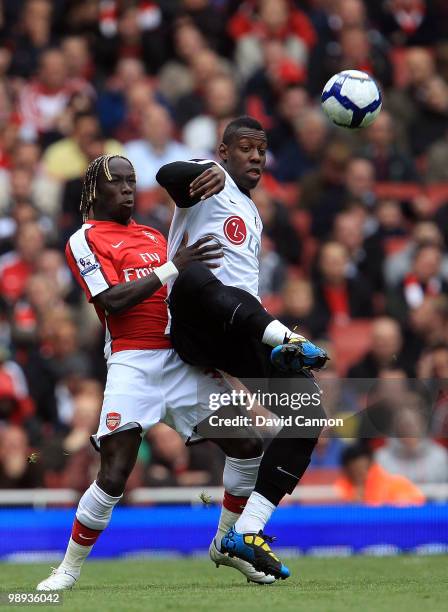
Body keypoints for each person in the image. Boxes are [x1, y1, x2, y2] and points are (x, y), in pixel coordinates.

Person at [36, 154, 276, 591]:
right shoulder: (84, 239)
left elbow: (179, 294)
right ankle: (67, 569)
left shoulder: (151, 235)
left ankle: (225, 542)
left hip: (180, 361)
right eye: (118, 182)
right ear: (95, 191)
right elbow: (110, 301)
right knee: (113, 474)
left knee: (247, 444)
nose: (128, 189)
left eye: (132, 181)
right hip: (133, 364)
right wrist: (173, 265)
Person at [156, 116, 328, 579]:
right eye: (246, 148)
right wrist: (197, 174)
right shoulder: (204, 179)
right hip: (194, 320)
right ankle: (281, 336)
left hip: (238, 327)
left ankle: (247, 531)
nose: (255, 156)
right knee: (195, 274)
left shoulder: (253, 211)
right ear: (224, 150)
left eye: (262, 149)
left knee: (309, 412)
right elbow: (166, 176)